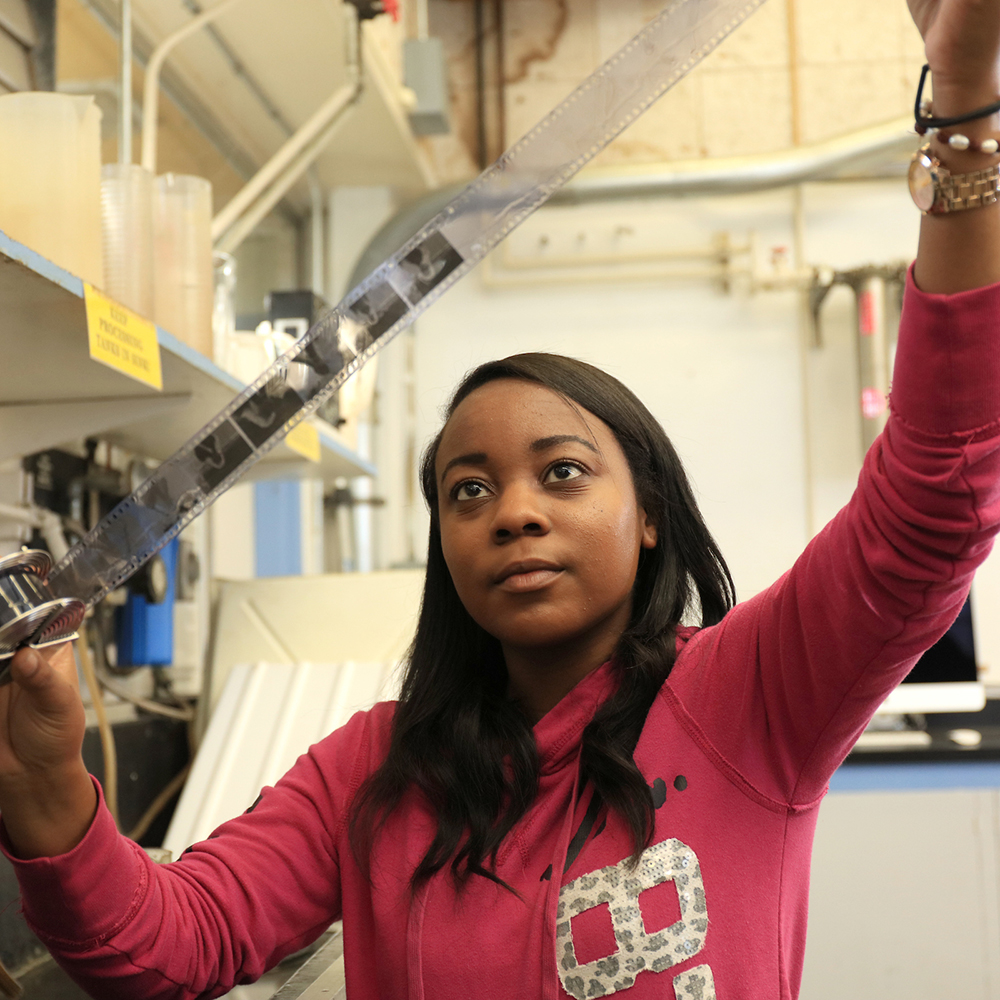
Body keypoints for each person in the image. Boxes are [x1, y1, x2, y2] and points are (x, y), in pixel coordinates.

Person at [3, 0, 1000, 996]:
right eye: (467, 490)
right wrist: (49, 786)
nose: (513, 511)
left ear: (649, 512)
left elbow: (934, 498)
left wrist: (963, 110)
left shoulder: (746, 698)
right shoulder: (374, 772)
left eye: (561, 472)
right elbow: (168, 943)